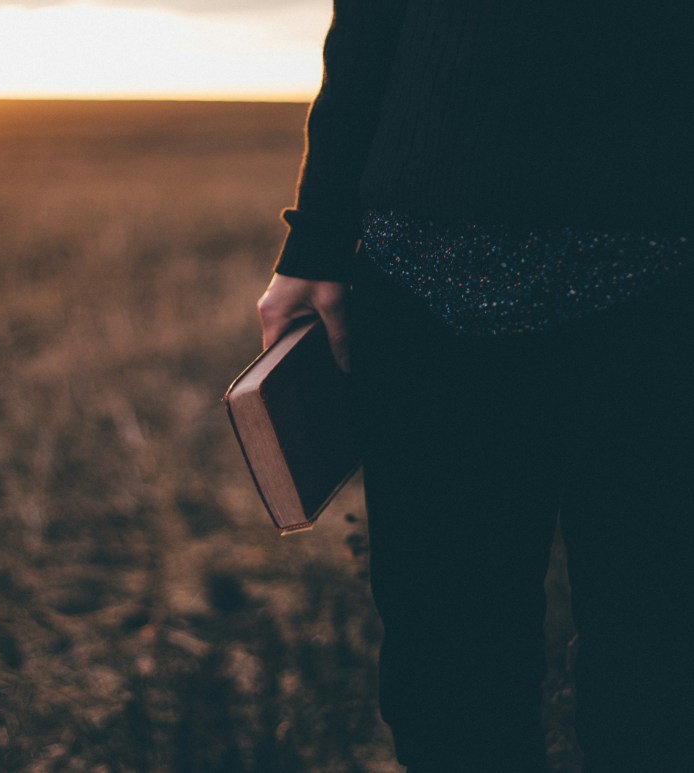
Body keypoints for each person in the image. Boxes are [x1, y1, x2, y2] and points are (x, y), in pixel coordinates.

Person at [257, 3, 694, 772]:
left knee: (659, 674)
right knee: (450, 678)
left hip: (662, 292)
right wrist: (318, 233)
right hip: (427, 289)